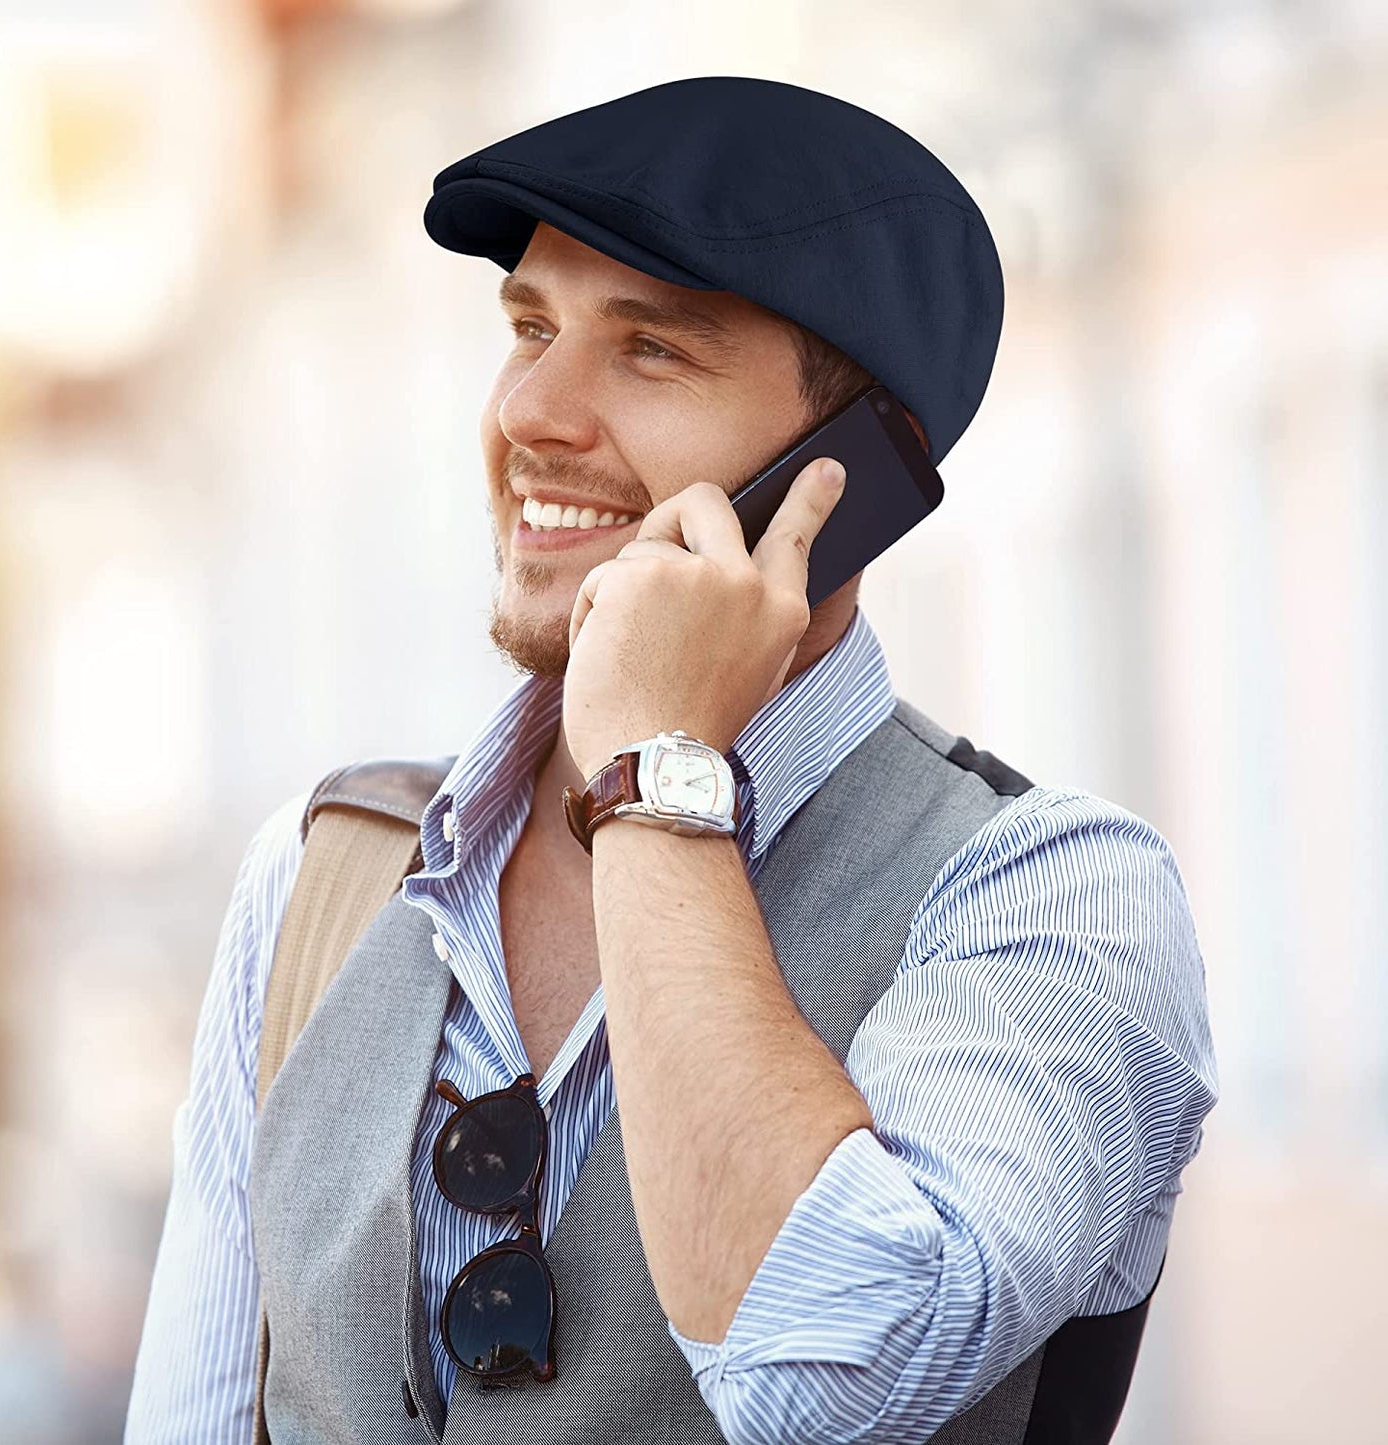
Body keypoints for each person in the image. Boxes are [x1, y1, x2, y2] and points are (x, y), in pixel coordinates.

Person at [124, 77, 1219, 1445]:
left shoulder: (1049, 899)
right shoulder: (320, 874)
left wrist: (655, 773)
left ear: (857, 469)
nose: (532, 411)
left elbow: (827, 1379)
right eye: (529, 327)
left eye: (650, 352)